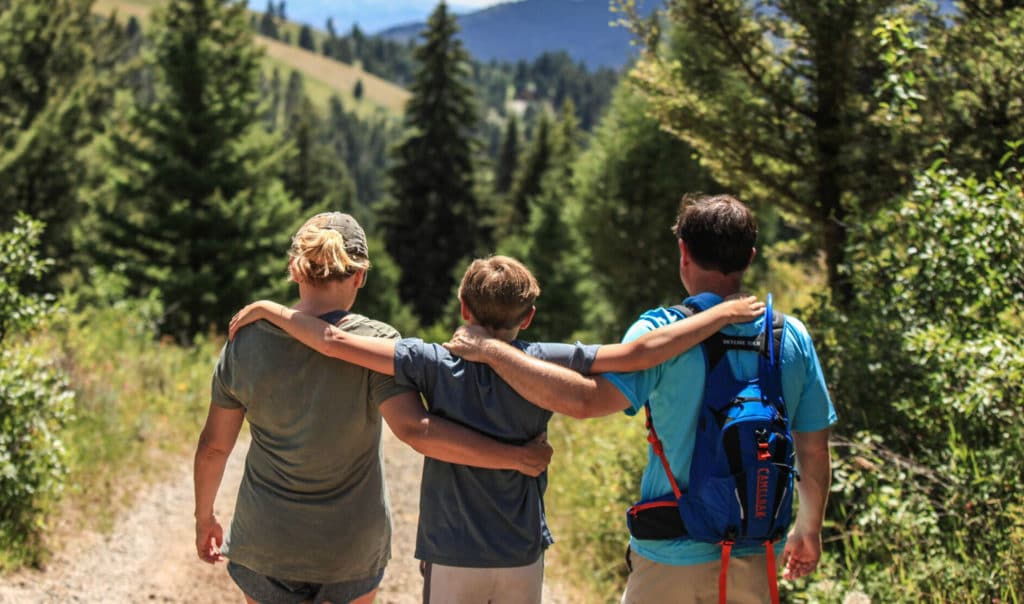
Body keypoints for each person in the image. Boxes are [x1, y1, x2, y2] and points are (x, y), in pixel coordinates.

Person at [228, 255, 765, 604]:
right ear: (527, 318)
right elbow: (638, 352)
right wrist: (718, 316)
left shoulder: (431, 360)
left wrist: (271, 309)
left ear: (463, 307)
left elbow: (336, 343)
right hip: (520, 547)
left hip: (450, 546)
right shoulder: (549, 359)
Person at [444, 195, 837, 604]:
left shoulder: (662, 331)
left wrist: (492, 350)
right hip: (758, 552)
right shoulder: (790, 336)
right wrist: (809, 529)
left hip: (671, 555)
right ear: (750, 257)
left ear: (683, 252)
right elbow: (812, 447)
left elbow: (585, 402)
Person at [193, 214, 553, 604]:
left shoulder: (247, 339)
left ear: (296, 270)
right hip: (350, 546)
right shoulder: (375, 343)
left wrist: (204, 518)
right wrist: (515, 458)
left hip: (266, 541)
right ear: (360, 276)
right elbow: (417, 431)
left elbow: (214, 447)